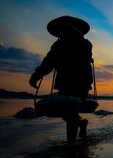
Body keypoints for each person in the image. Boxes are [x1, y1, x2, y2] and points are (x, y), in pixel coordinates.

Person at [29, 16, 94, 144]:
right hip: (65, 83)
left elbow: (51, 61)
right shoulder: (60, 45)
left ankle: (71, 146)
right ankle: (81, 123)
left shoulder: (84, 44)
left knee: (70, 113)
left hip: (81, 83)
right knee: (68, 113)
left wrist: (37, 75)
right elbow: (49, 62)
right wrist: (37, 75)